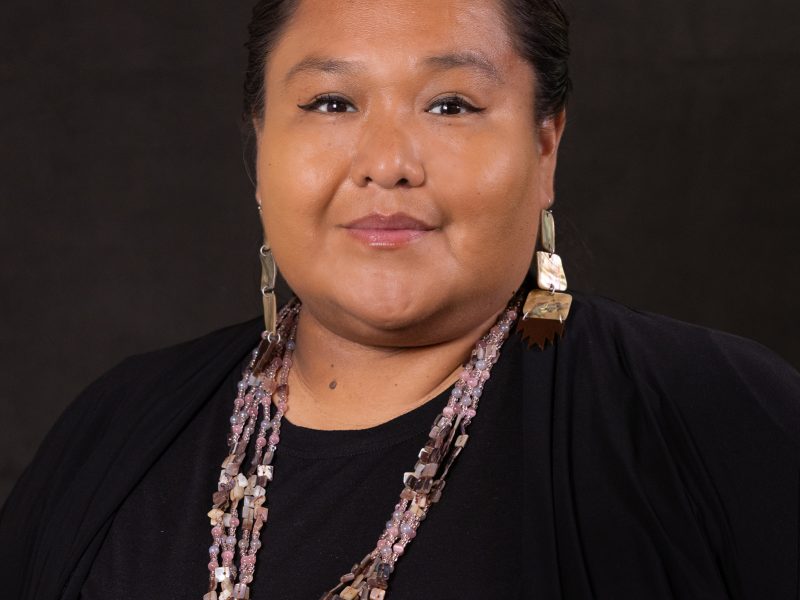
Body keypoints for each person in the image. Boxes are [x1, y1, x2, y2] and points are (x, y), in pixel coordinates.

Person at [2, 0, 798, 598]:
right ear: (259, 146)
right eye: (331, 103)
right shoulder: (116, 430)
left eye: (450, 105)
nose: (386, 163)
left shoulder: (711, 417)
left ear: (545, 145)